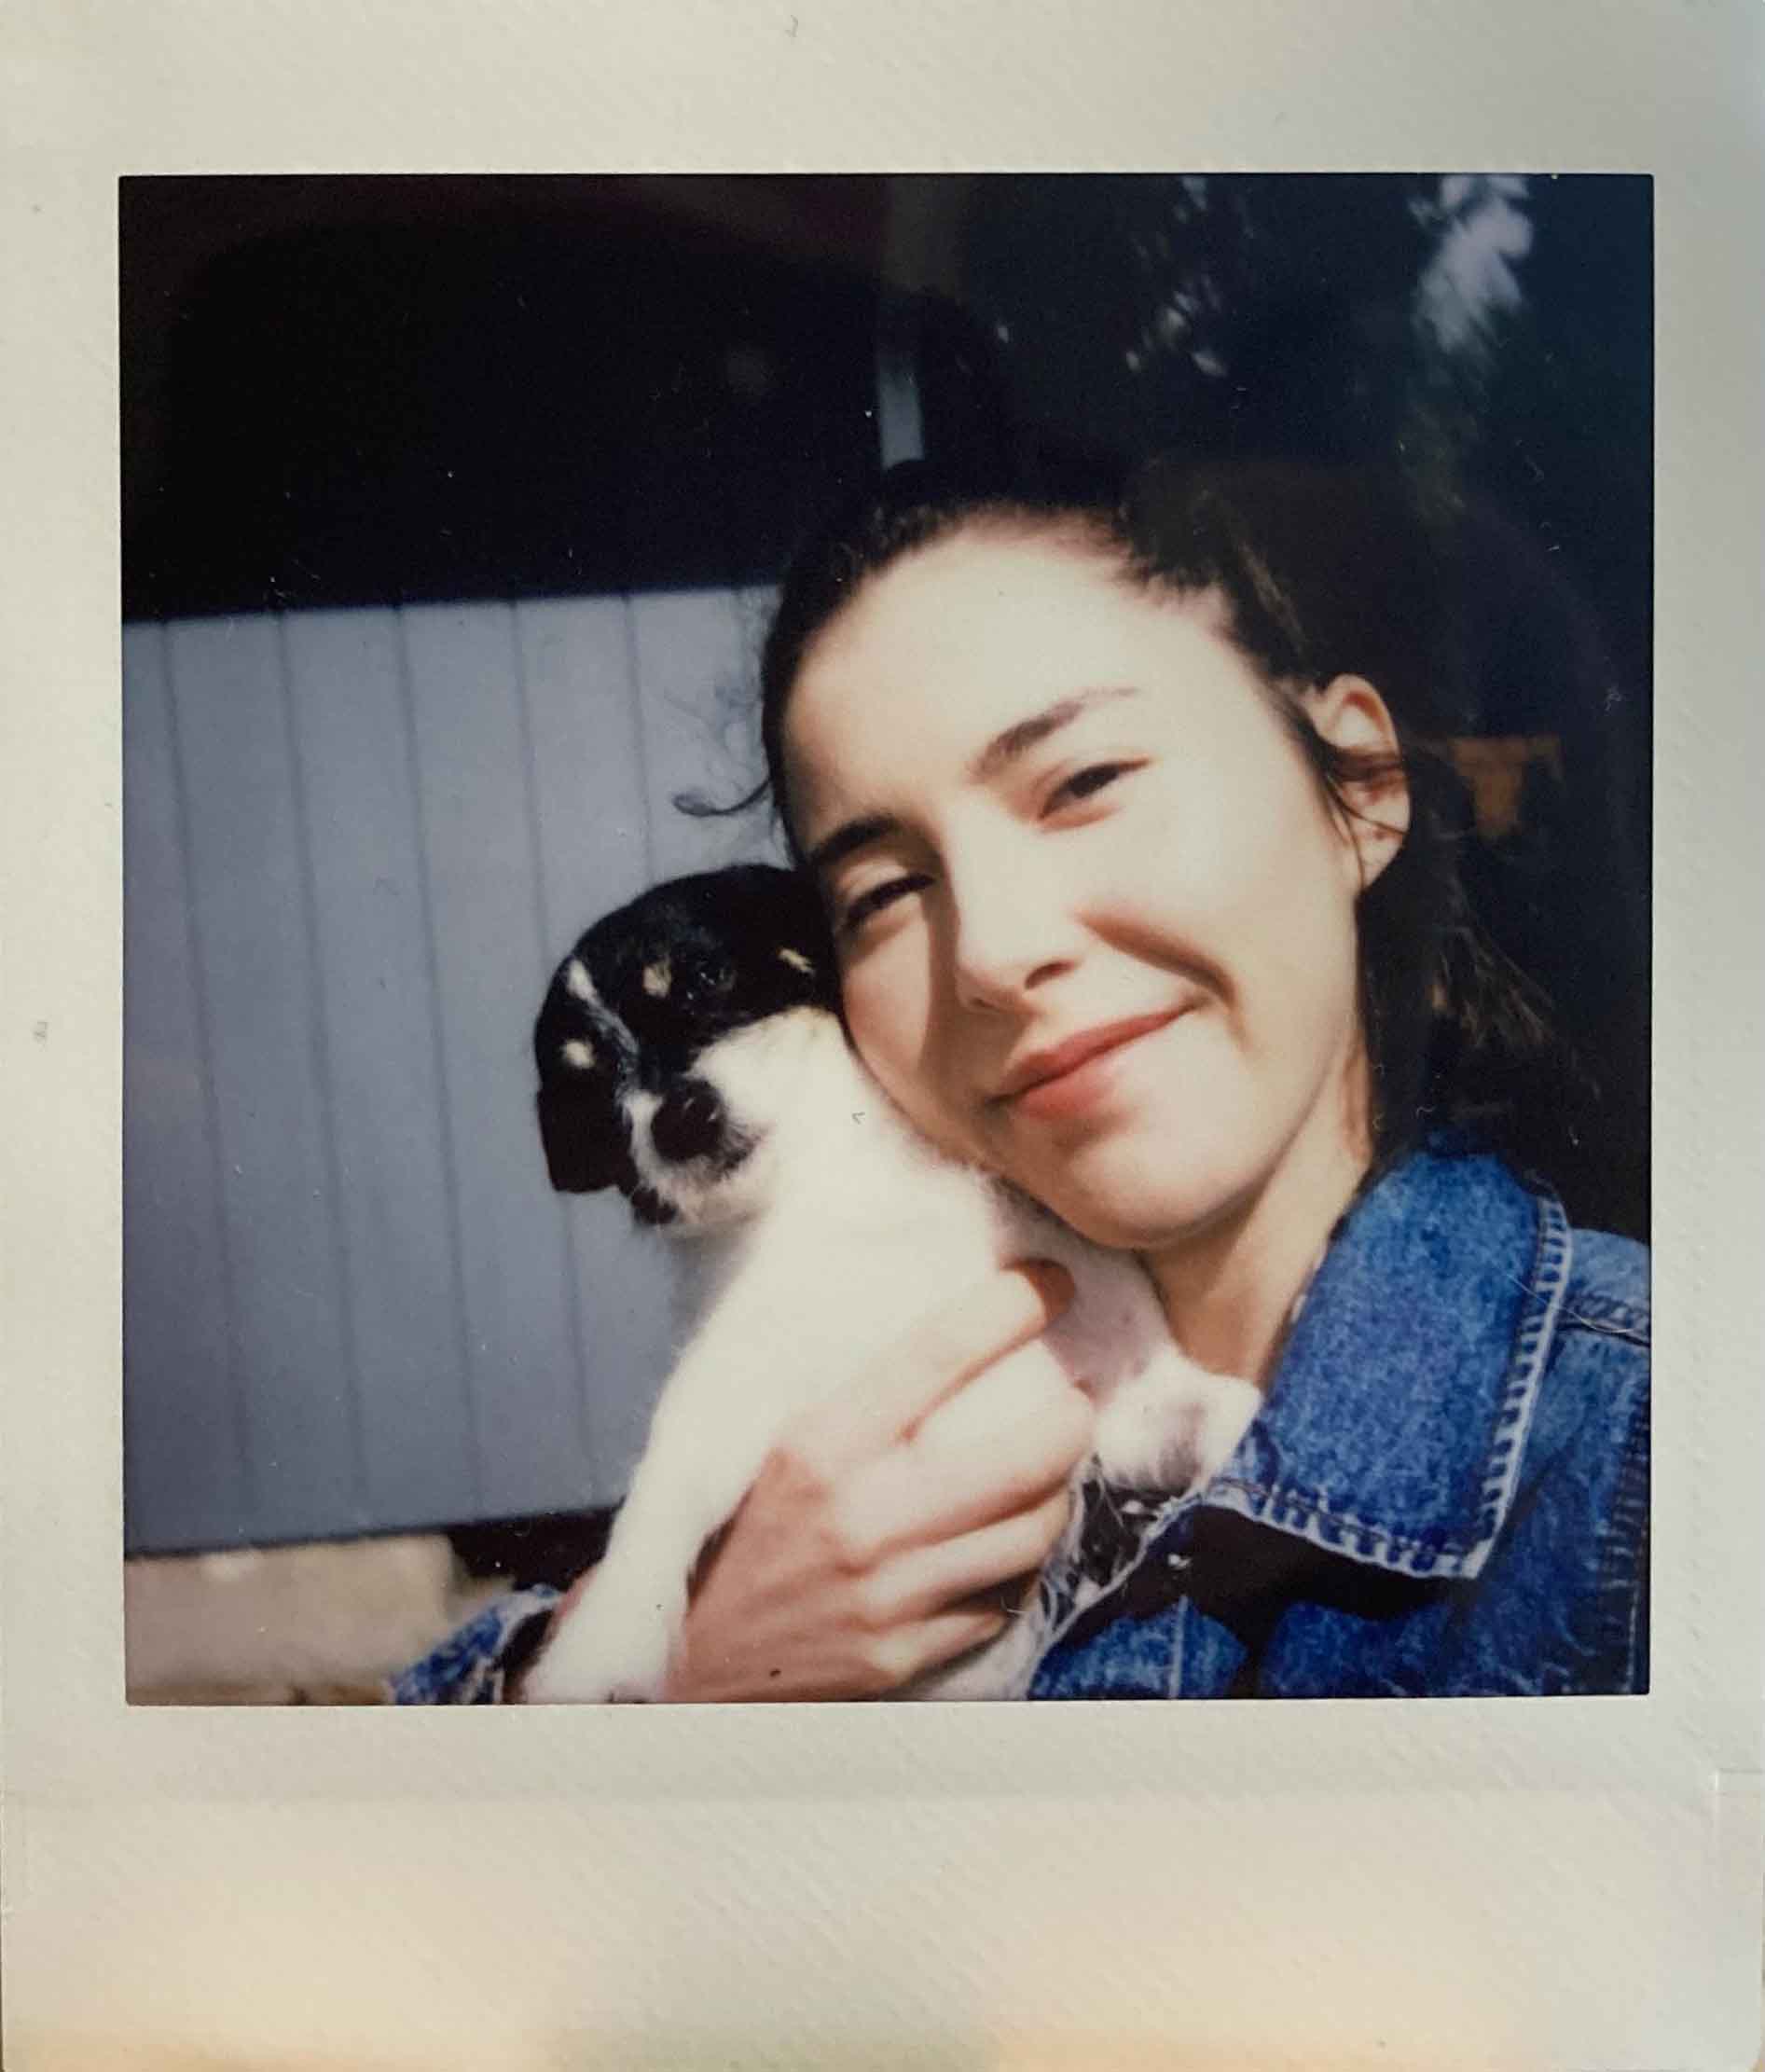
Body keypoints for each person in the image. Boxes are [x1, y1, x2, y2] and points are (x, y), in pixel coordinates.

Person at [393, 458, 1648, 1705]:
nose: (991, 949)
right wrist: (698, 1670)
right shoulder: (788, 1496)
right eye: (883, 891)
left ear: (1360, 792)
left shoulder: (1651, 1462)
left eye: (1083, 782)